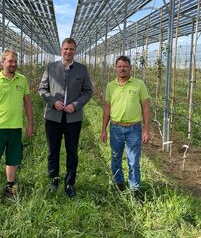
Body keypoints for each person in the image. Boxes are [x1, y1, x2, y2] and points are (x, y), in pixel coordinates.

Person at [38, 38, 93, 198]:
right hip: (53, 117)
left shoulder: (82, 70)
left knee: (72, 151)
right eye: (66, 49)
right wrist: (53, 102)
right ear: (61, 50)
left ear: (75, 51)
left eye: (71, 49)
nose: (68, 52)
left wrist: (75, 104)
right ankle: (54, 179)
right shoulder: (51, 68)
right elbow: (42, 88)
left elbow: (88, 91)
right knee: (52, 150)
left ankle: (70, 182)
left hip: (73, 119)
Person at [0, 49, 33, 207]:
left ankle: (10, 188)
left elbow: (27, 103)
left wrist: (30, 123)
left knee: (13, 160)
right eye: (10, 61)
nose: (13, 64)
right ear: (2, 62)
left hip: (16, 127)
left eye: (15, 61)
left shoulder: (22, 80)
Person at [100, 55, 150, 197]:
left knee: (133, 161)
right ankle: (119, 184)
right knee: (116, 158)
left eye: (125, 66)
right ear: (116, 68)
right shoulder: (110, 86)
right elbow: (107, 109)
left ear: (130, 68)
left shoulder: (139, 84)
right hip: (115, 128)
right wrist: (103, 129)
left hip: (134, 128)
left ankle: (135, 189)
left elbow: (146, 107)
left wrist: (146, 130)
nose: (122, 69)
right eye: (119, 66)